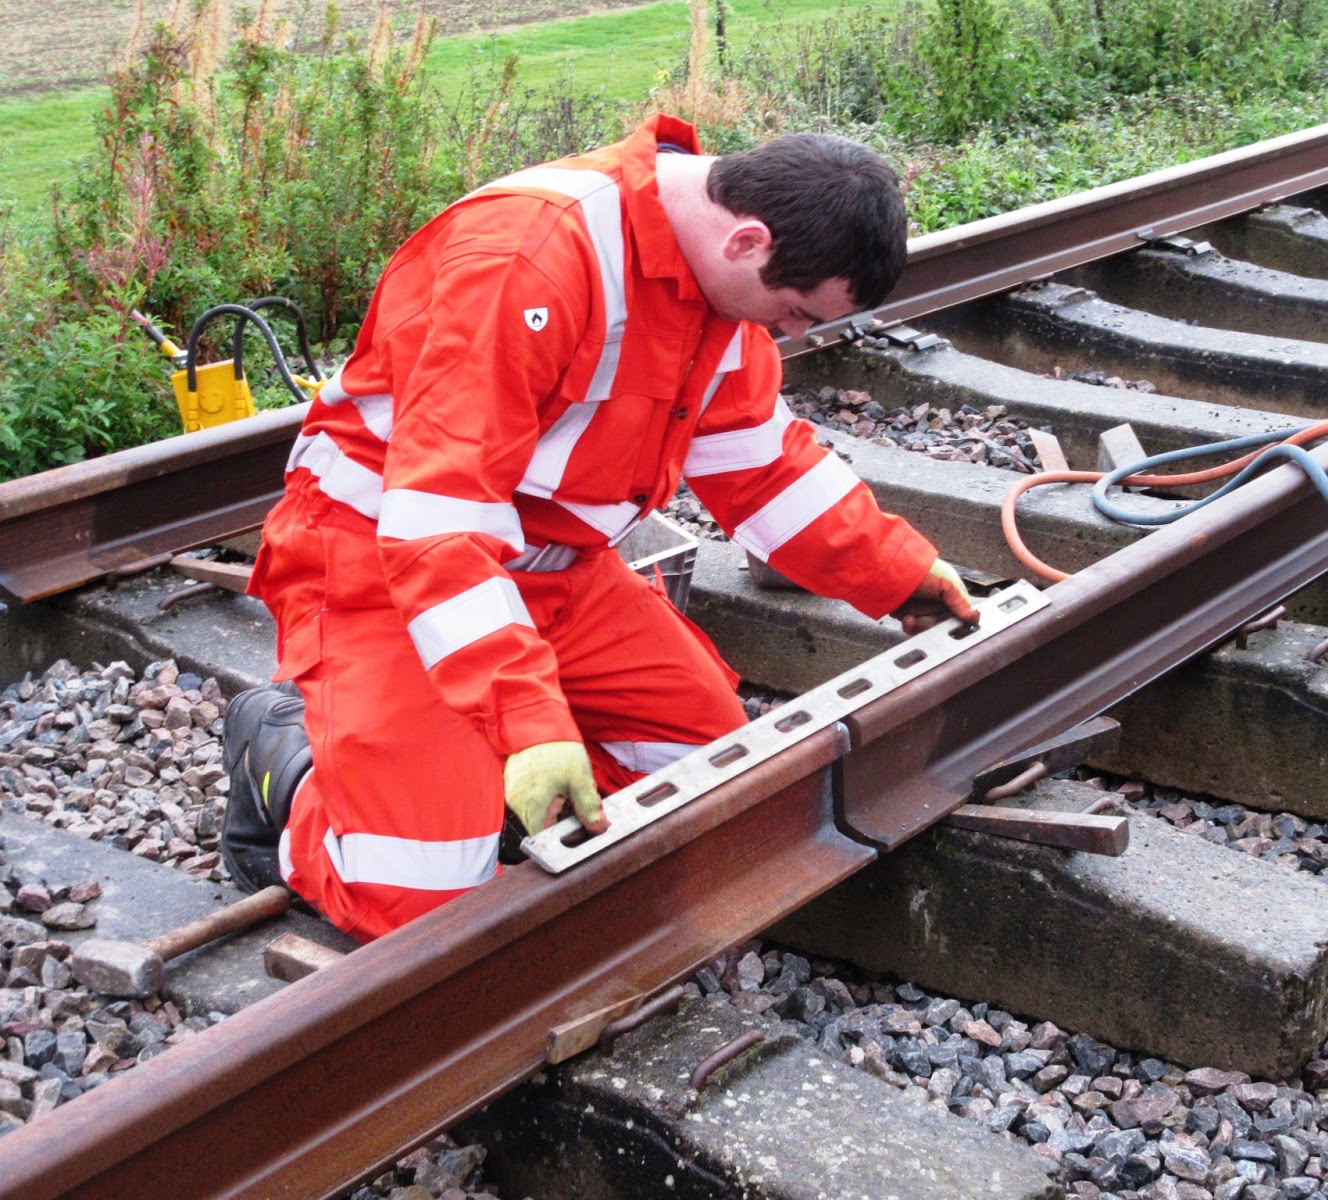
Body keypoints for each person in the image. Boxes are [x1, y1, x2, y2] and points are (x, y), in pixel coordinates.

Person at [220, 113, 979, 941]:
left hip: (554, 572)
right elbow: (439, 517)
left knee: (711, 784)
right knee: (421, 900)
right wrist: (526, 718)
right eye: (794, 311)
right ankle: (284, 762)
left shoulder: (716, 290)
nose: (792, 334)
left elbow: (762, 467)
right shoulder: (527, 259)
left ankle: (464, 772)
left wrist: (899, 572)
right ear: (747, 241)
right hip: (384, 564)